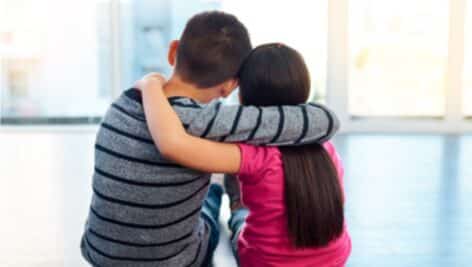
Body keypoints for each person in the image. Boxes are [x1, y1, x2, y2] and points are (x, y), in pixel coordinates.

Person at [80, 12, 340, 267]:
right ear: (229, 86)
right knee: (208, 210)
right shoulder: (209, 123)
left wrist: (151, 84)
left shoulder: (118, 108)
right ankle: (216, 187)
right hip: (174, 262)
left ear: (173, 52)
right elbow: (324, 121)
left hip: (99, 252)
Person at [139, 43, 351, 267]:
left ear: (244, 97)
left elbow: (178, 146)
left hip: (265, 262)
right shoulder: (327, 147)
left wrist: (150, 86)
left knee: (235, 210)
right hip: (335, 259)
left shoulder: (254, 154)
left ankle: (232, 201)